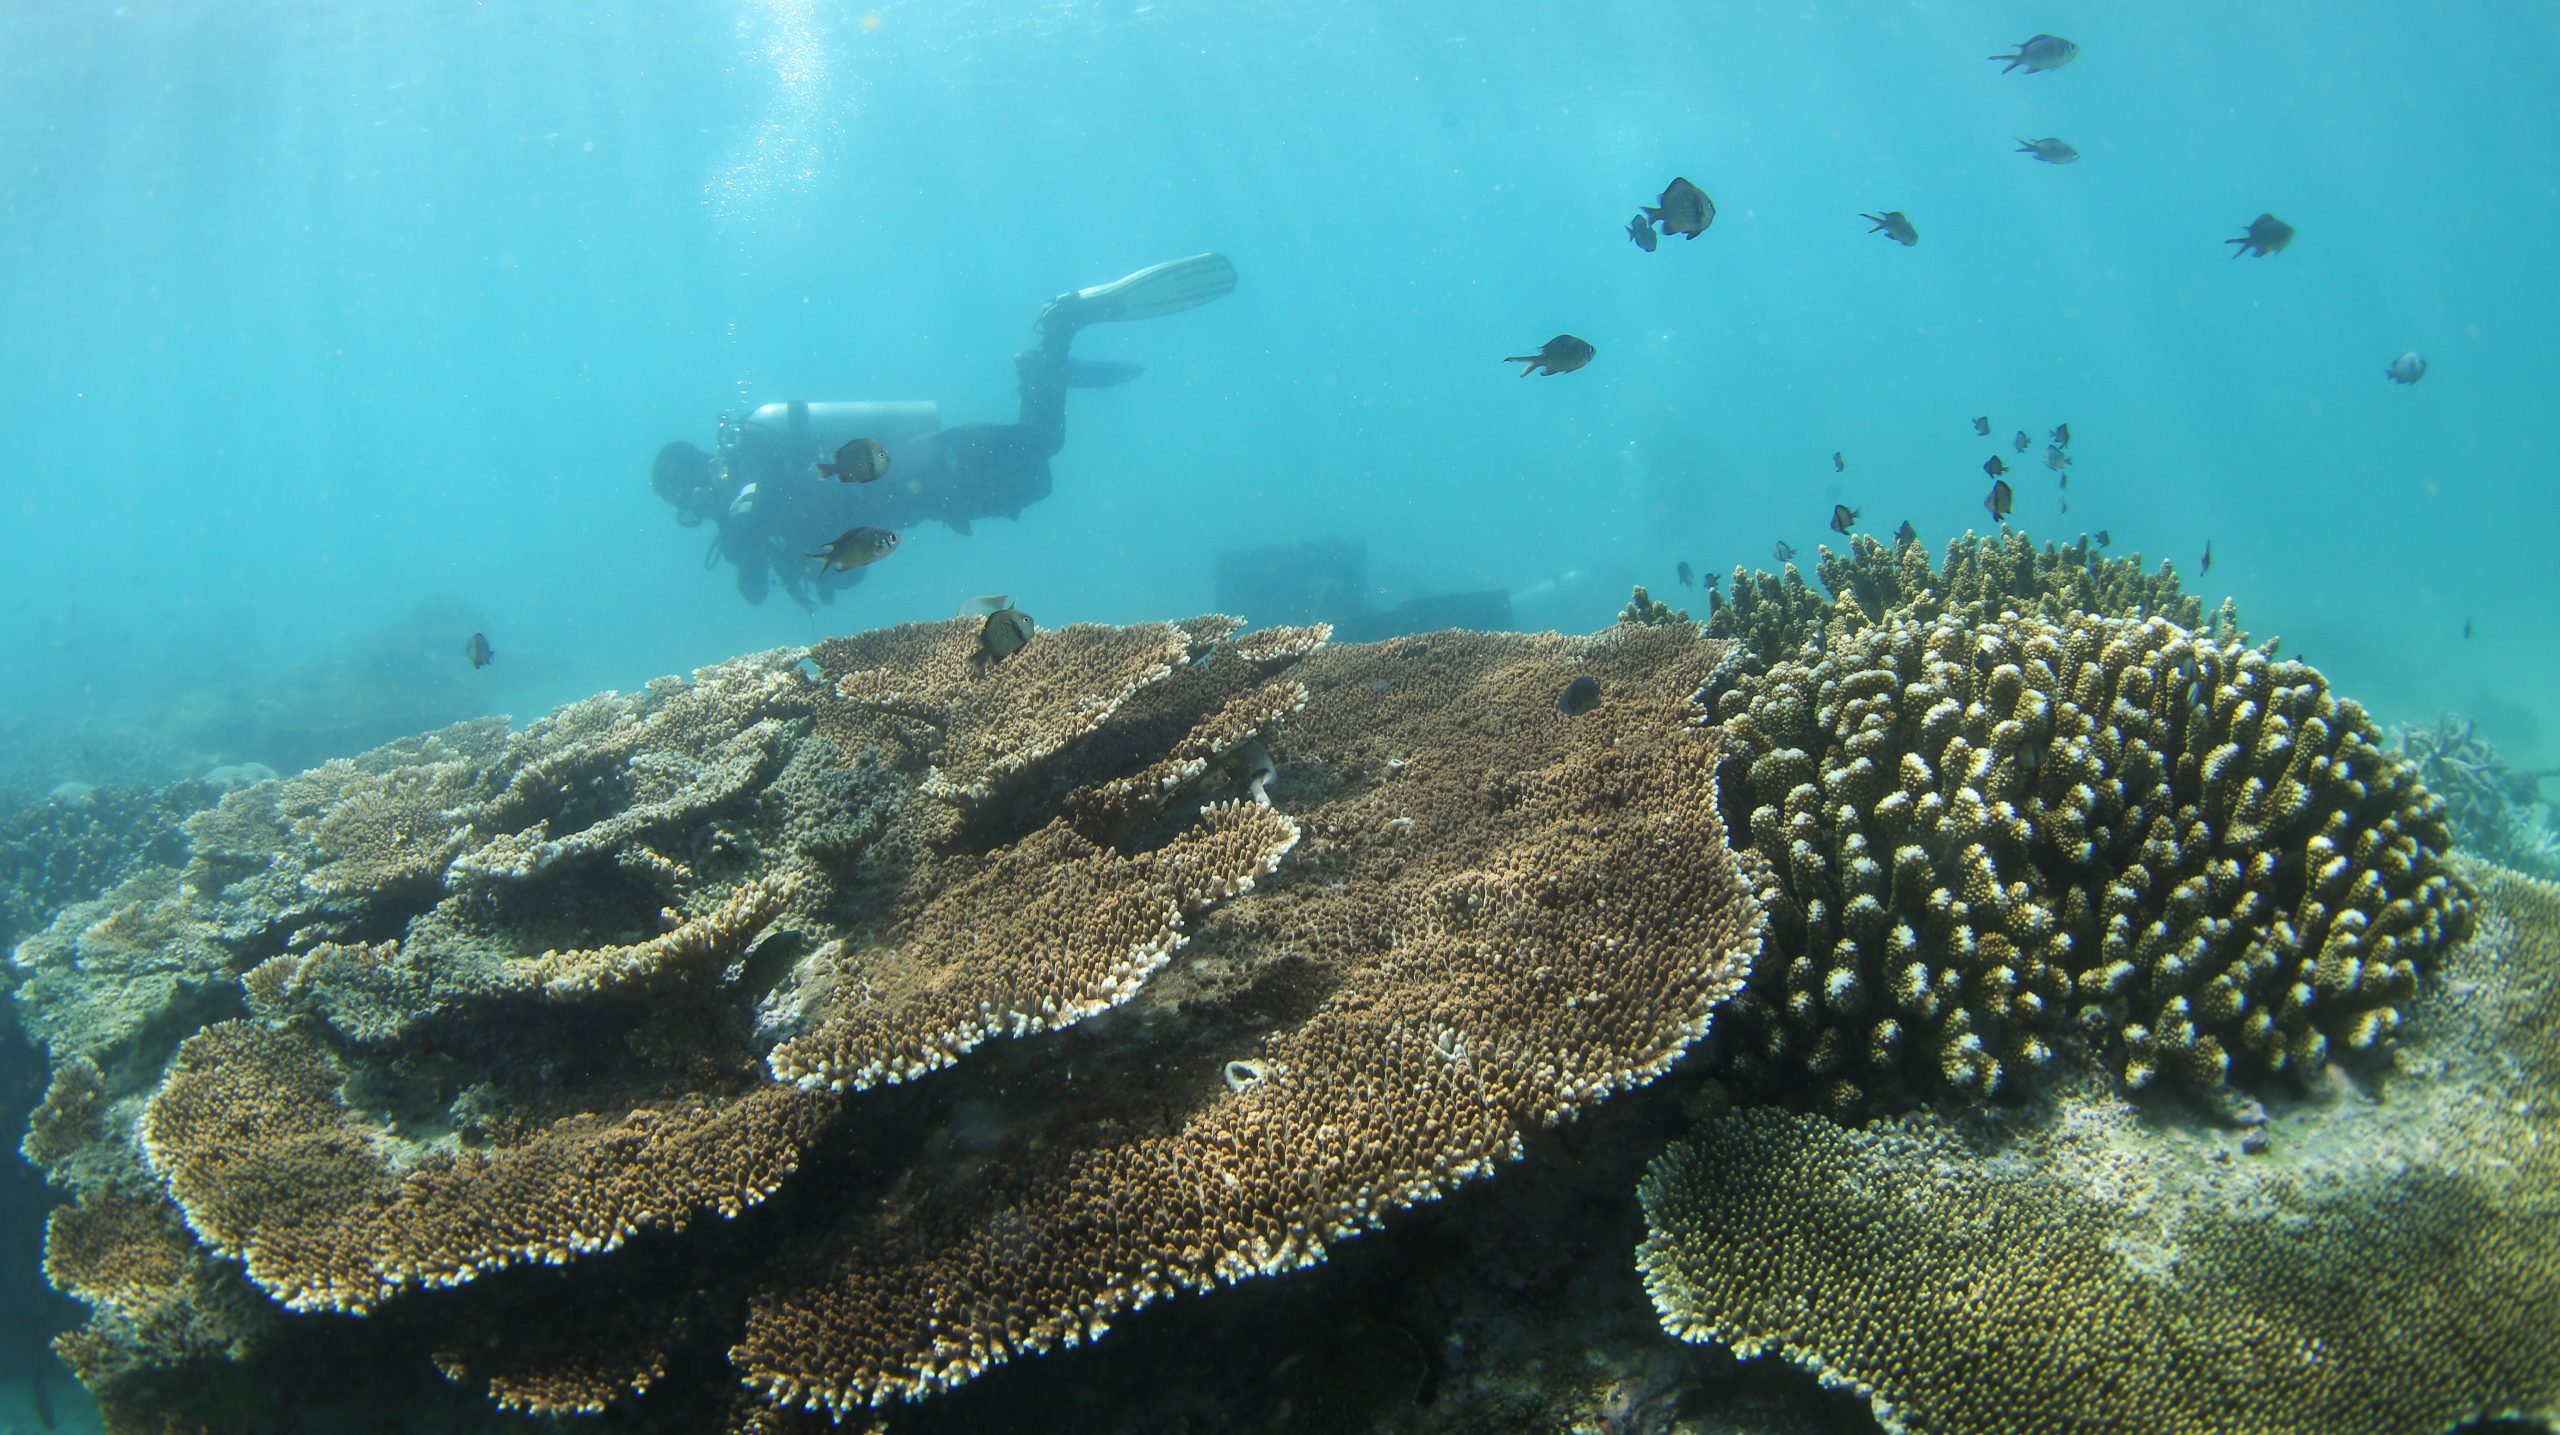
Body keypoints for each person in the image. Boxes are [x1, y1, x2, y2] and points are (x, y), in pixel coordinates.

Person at [652, 254, 1238, 608]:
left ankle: (1059, 333)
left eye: (683, 494)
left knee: (1042, 448)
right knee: (1038, 480)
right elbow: (825, 553)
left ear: (693, 476)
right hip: (934, 483)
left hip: (934, 466)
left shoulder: (748, 480)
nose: (691, 506)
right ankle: (1049, 364)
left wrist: (740, 534)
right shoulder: (756, 480)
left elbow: (759, 550)